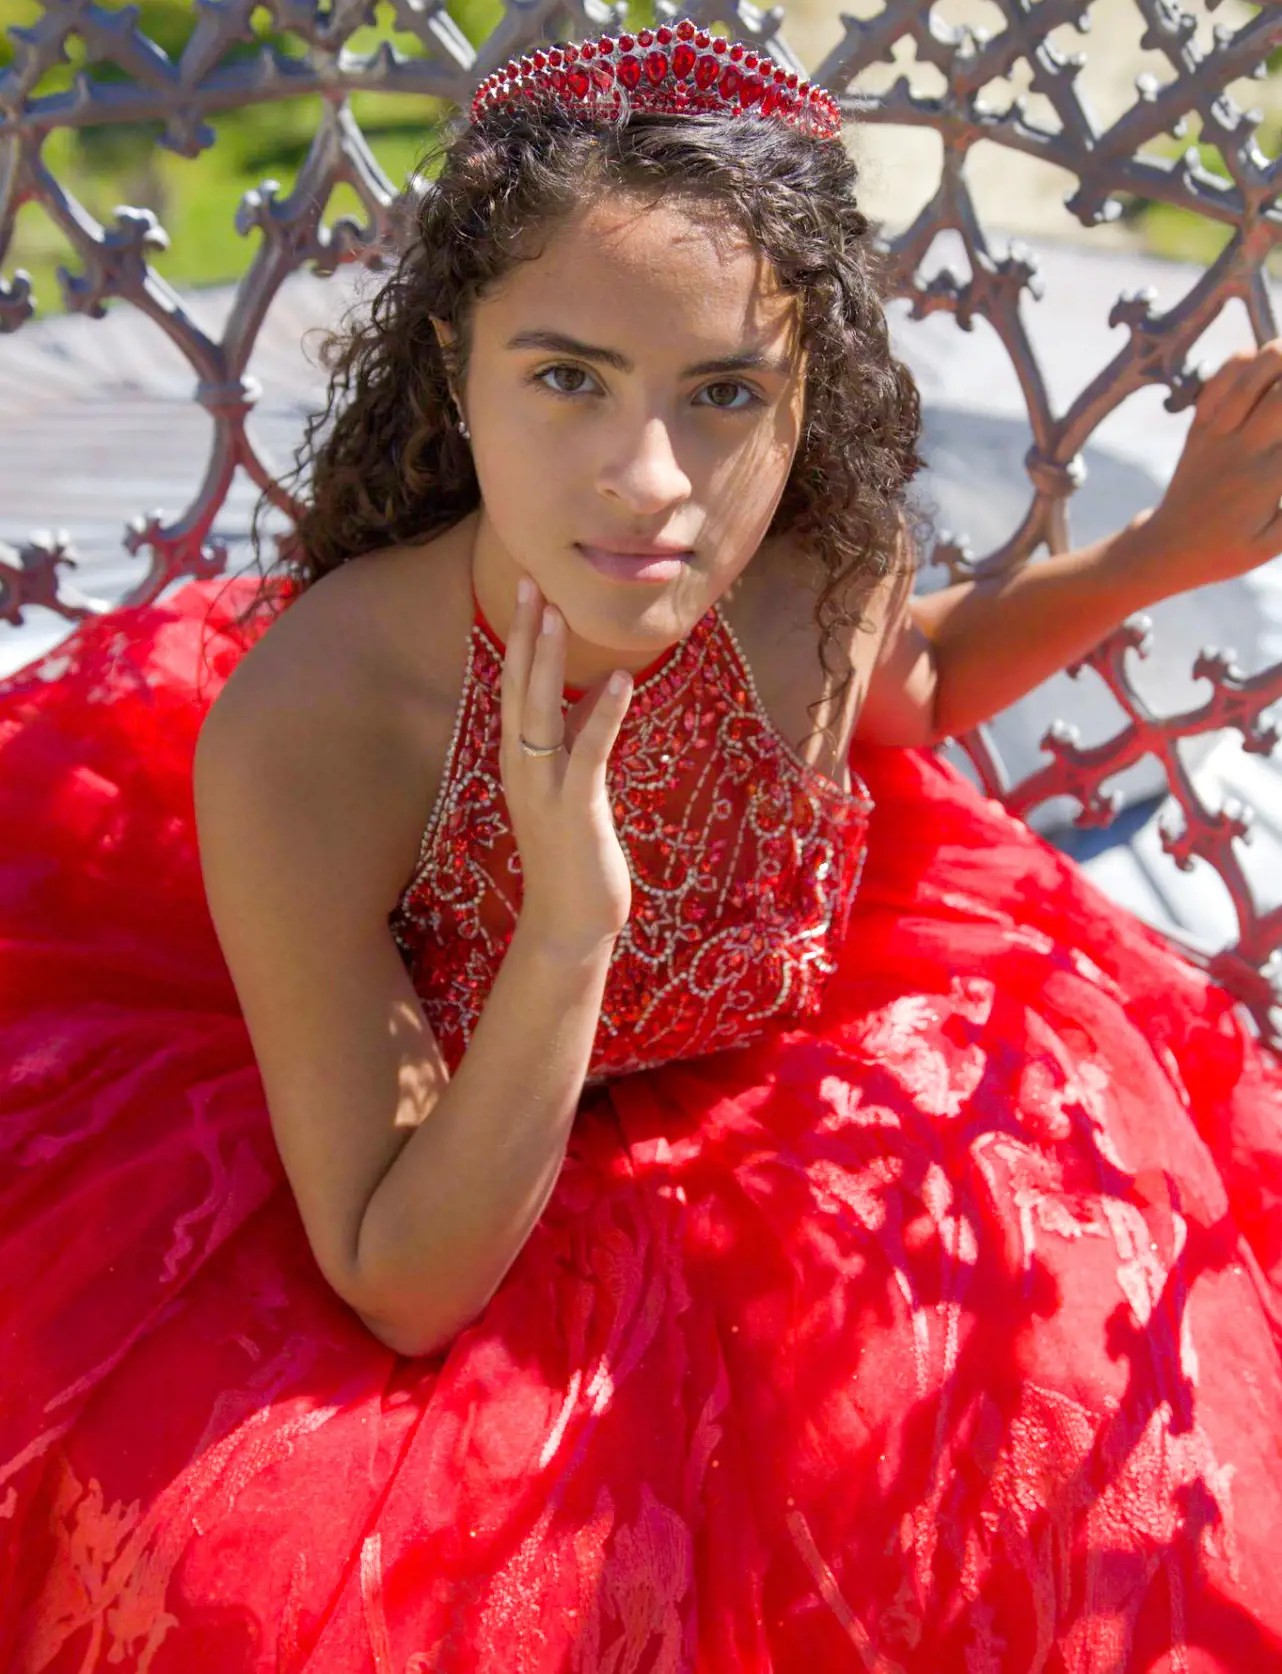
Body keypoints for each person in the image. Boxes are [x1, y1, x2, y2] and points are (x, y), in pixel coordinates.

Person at [2, 17, 1281, 1670]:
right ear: (458, 359)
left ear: (804, 390)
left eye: (726, 393)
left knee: (1074, 1423)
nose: (650, 480)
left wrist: (1156, 554)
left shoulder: (803, 571)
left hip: (801, 1099)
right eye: (565, 378)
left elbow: (929, 677)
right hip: (453, 1185)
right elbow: (401, 1280)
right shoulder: (322, 728)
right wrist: (565, 927)